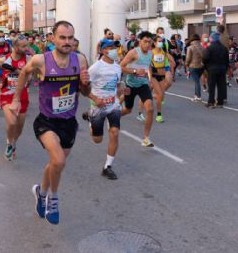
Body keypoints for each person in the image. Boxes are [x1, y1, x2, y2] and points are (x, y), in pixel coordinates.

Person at [10, 20, 91, 225]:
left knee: (55, 164)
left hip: (69, 122)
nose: (66, 42)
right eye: (62, 37)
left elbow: (85, 92)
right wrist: (16, 99)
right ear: (53, 38)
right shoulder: (41, 60)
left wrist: (85, 84)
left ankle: (41, 192)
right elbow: (23, 73)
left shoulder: (80, 60)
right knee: (59, 161)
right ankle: (52, 200)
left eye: (70, 38)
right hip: (46, 122)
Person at [85, 39, 125, 180]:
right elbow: (83, 87)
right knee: (97, 139)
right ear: (103, 51)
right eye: (110, 47)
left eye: (114, 47)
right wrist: (94, 98)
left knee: (114, 133)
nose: (114, 49)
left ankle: (107, 166)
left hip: (113, 105)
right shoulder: (96, 67)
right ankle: (90, 118)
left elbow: (118, 85)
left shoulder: (117, 67)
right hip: (98, 106)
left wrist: (123, 90)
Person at [0, 35, 30, 159]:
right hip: (7, 96)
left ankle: (13, 143)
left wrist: (16, 70)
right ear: (15, 47)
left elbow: (29, 78)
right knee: (12, 122)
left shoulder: (29, 60)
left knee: (19, 127)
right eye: (23, 46)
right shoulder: (4, 60)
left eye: (26, 45)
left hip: (23, 97)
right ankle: (9, 143)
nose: (26, 48)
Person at [120, 31, 155, 147]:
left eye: (149, 42)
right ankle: (114, 116)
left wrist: (150, 80)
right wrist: (134, 71)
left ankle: (146, 138)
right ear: (140, 41)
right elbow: (121, 66)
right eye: (145, 41)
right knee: (128, 110)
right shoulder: (133, 53)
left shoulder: (150, 54)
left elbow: (148, 67)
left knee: (150, 109)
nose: (147, 44)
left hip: (143, 84)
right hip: (130, 85)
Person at [150, 35, 175, 122]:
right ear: (154, 43)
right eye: (159, 41)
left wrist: (170, 67)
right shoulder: (151, 53)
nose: (161, 43)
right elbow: (148, 65)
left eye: (161, 41)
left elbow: (167, 62)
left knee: (160, 94)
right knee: (158, 94)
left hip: (161, 76)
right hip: (153, 76)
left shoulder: (163, 52)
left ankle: (158, 115)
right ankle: (141, 112)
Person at [202, 32, 229, 109]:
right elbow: (227, 60)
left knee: (211, 86)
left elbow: (205, 58)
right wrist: (225, 68)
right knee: (221, 86)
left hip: (212, 69)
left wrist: (206, 66)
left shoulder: (209, 48)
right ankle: (220, 102)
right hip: (222, 69)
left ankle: (211, 102)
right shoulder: (224, 48)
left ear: (212, 38)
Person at [185, 34, 204, 102]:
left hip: (193, 66)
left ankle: (198, 97)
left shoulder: (190, 48)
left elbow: (188, 58)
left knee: (197, 82)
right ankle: (196, 95)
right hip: (201, 67)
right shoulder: (202, 47)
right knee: (197, 81)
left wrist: (186, 64)